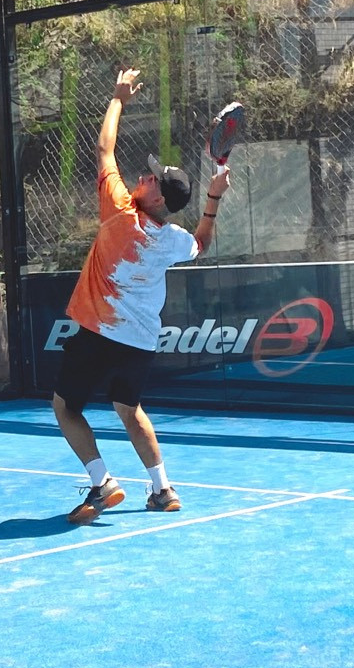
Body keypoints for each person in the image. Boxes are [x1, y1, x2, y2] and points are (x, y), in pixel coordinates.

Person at [53, 67, 230, 525]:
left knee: (65, 408)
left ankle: (102, 482)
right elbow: (202, 242)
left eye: (152, 179)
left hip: (99, 333)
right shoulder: (172, 239)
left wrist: (118, 98)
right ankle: (162, 489)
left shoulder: (119, 211)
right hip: (140, 342)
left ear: (156, 199)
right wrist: (213, 198)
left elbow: (103, 149)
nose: (144, 177)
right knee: (129, 410)